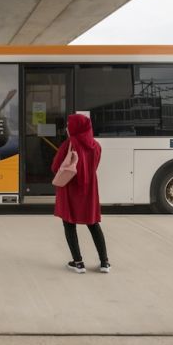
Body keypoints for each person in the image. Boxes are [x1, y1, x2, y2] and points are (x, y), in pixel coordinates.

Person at [51, 113, 109, 273]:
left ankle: (78, 263)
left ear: (76, 127)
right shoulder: (96, 146)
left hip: (70, 189)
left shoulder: (69, 144)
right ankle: (104, 262)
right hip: (89, 189)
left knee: (69, 223)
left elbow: (55, 167)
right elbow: (94, 166)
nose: (67, 128)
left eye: (70, 125)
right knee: (93, 224)